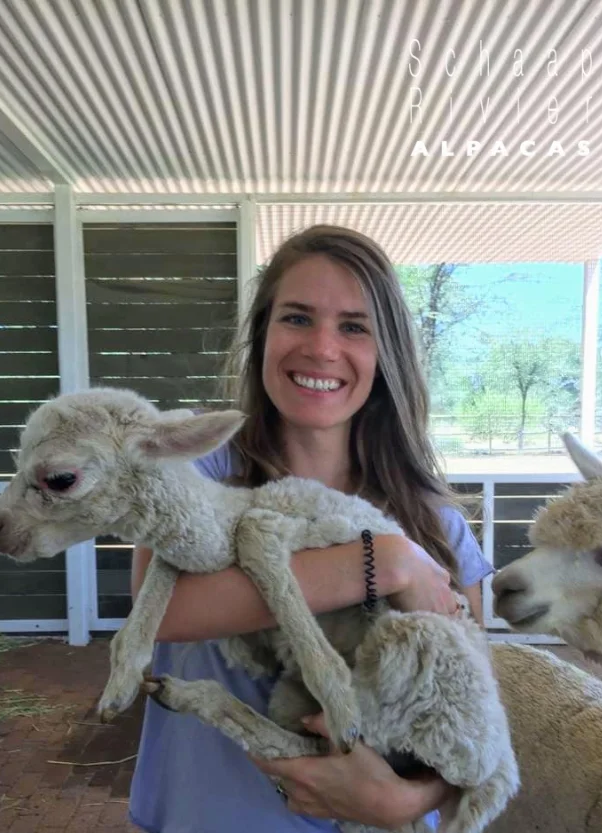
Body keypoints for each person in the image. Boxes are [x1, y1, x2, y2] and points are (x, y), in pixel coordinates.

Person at [128, 225, 494, 832]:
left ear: (387, 354)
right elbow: (159, 609)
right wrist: (385, 563)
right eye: (297, 318)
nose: (322, 349)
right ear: (263, 334)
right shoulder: (198, 468)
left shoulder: (438, 525)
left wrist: (407, 801)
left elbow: (472, 711)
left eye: (355, 326)